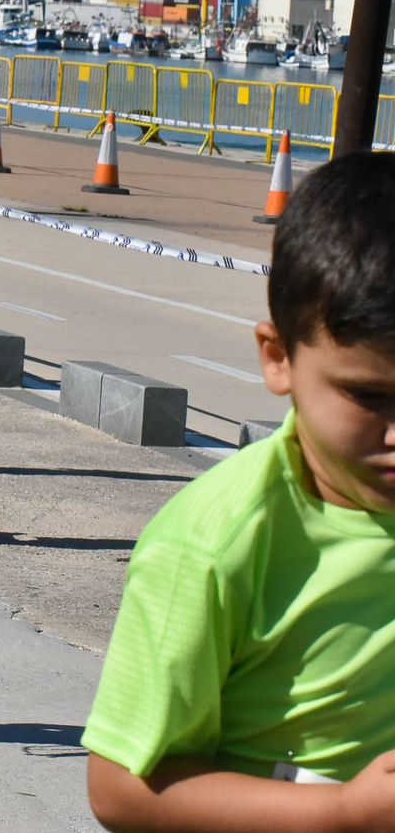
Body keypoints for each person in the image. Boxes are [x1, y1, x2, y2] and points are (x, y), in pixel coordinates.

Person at [82, 152, 395, 831]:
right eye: (370, 397)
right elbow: (121, 788)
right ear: (279, 357)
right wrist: (344, 811)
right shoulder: (215, 543)